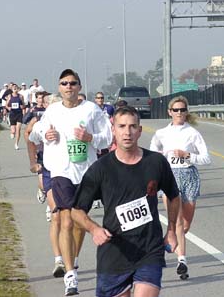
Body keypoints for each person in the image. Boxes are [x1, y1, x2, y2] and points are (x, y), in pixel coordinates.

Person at [71, 106, 180, 297]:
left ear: (140, 130)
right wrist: (94, 229)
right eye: (122, 126)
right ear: (113, 129)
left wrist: (171, 230)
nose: (127, 132)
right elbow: (76, 210)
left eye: (132, 126)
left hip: (149, 249)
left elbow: (173, 195)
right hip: (115, 252)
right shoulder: (100, 169)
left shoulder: (156, 162)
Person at [41, 68, 112, 296]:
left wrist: (90, 138)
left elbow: (108, 138)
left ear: (79, 87)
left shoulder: (91, 109)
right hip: (61, 171)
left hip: (86, 173)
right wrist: (46, 136)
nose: (68, 87)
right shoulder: (52, 111)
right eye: (64, 83)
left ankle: (74, 256)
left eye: (73, 83)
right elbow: (39, 132)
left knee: (79, 220)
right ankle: (70, 275)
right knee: (66, 219)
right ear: (59, 87)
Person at [149, 95, 211, 280]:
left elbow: (207, 158)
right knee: (176, 222)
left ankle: (167, 242)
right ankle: (182, 261)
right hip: (170, 177)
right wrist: (160, 156)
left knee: (185, 224)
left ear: (186, 112)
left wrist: (188, 155)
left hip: (189, 176)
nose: (179, 113)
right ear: (170, 112)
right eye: (175, 110)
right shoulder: (161, 133)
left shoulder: (192, 133)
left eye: (182, 110)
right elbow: (152, 152)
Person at [26, 93, 66, 278]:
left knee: (71, 218)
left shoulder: (71, 121)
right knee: (56, 215)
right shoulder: (41, 123)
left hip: (69, 172)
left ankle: (70, 254)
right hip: (50, 170)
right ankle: (58, 259)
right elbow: (30, 137)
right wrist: (34, 163)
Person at [6, 83, 25, 150]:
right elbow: (6, 105)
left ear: (17, 89)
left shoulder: (21, 96)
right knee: (13, 131)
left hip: (19, 114)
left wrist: (22, 106)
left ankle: (16, 144)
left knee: (18, 130)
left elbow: (23, 105)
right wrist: (8, 108)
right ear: (12, 89)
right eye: (13, 88)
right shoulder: (9, 96)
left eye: (16, 87)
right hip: (12, 114)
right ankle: (12, 133)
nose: (15, 88)